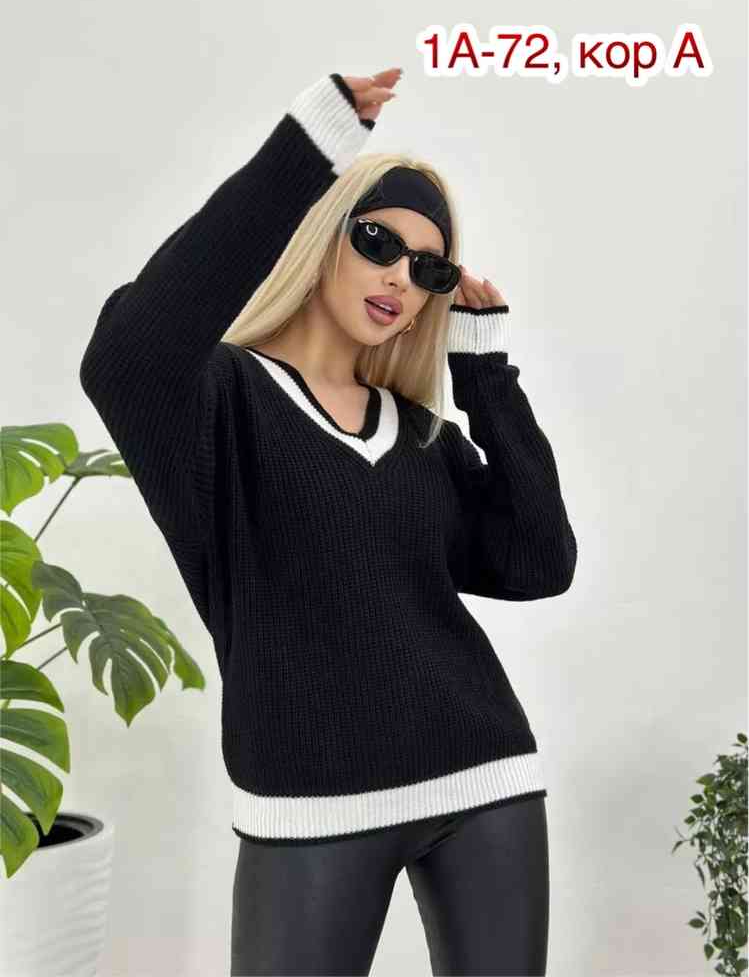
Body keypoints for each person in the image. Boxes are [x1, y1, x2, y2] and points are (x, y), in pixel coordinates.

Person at [80, 64, 577, 976]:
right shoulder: (219, 401)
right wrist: (307, 152)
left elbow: (537, 562)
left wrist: (485, 374)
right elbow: (124, 354)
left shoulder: (420, 435)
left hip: (486, 779)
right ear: (324, 234)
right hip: (310, 805)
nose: (399, 276)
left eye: (426, 268)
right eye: (377, 240)